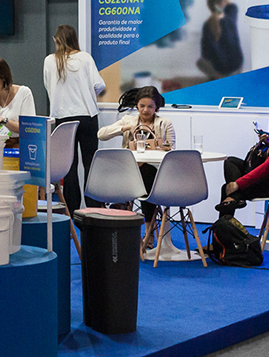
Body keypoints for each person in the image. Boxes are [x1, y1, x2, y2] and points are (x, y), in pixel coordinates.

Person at [43, 25, 105, 211]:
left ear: (56, 40)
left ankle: (71, 210)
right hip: (87, 116)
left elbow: (47, 85)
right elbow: (99, 85)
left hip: (62, 118)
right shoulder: (85, 58)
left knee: (69, 167)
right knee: (90, 163)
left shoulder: (49, 61)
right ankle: (94, 208)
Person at [96, 91, 175, 232]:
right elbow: (101, 134)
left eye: (150, 106)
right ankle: (147, 231)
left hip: (155, 172)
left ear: (156, 107)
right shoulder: (128, 120)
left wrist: (163, 147)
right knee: (140, 175)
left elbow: (172, 151)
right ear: (137, 105)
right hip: (129, 170)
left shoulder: (164, 123)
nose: (145, 110)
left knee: (146, 174)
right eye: (142, 106)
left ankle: (121, 204)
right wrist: (124, 128)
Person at [196, 0, 244, 80]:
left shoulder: (207, 25)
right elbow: (231, 5)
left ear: (209, 6)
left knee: (200, 62)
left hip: (220, 70)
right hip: (237, 67)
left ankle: (220, 77)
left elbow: (205, 55)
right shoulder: (231, 17)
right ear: (223, 4)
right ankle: (228, 77)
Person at [0, 57, 35, 127]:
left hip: (16, 134)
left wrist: (5, 121)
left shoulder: (24, 93)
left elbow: (28, 127)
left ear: (3, 78)